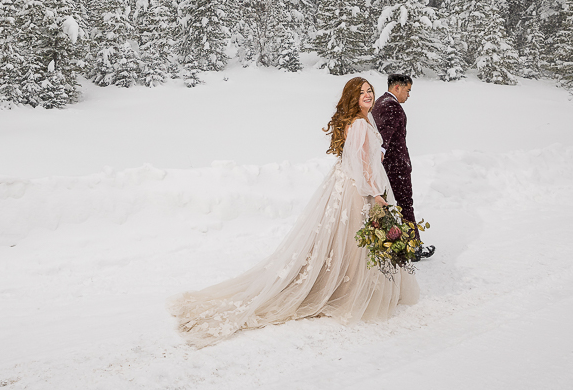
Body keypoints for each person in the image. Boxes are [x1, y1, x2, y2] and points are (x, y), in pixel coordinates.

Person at [170, 77, 419, 346]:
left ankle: (349, 285)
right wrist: (376, 194)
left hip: (351, 184)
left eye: (370, 91)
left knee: (349, 241)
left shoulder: (362, 120)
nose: (368, 95)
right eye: (362, 93)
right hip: (358, 188)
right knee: (354, 241)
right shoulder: (359, 123)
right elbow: (360, 166)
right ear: (353, 98)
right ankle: (350, 290)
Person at [372, 72, 434, 260]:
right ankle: (412, 248)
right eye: (407, 90)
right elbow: (384, 138)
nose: (408, 95)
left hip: (387, 167)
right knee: (405, 205)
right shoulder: (392, 107)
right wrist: (381, 155)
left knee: (390, 206)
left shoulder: (380, 103)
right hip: (396, 167)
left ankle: (392, 244)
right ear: (396, 87)